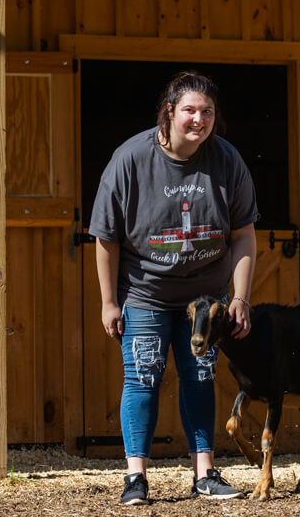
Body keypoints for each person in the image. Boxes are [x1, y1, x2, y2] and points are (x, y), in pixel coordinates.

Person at [89, 71, 259, 505]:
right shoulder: (130, 159)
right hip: (145, 293)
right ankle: (136, 479)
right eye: (189, 111)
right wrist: (109, 302)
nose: (198, 120)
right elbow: (106, 237)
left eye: (207, 112)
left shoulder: (226, 160)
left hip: (205, 298)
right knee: (142, 378)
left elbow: (242, 235)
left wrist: (239, 298)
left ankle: (205, 474)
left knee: (200, 377)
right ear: (169, 112)